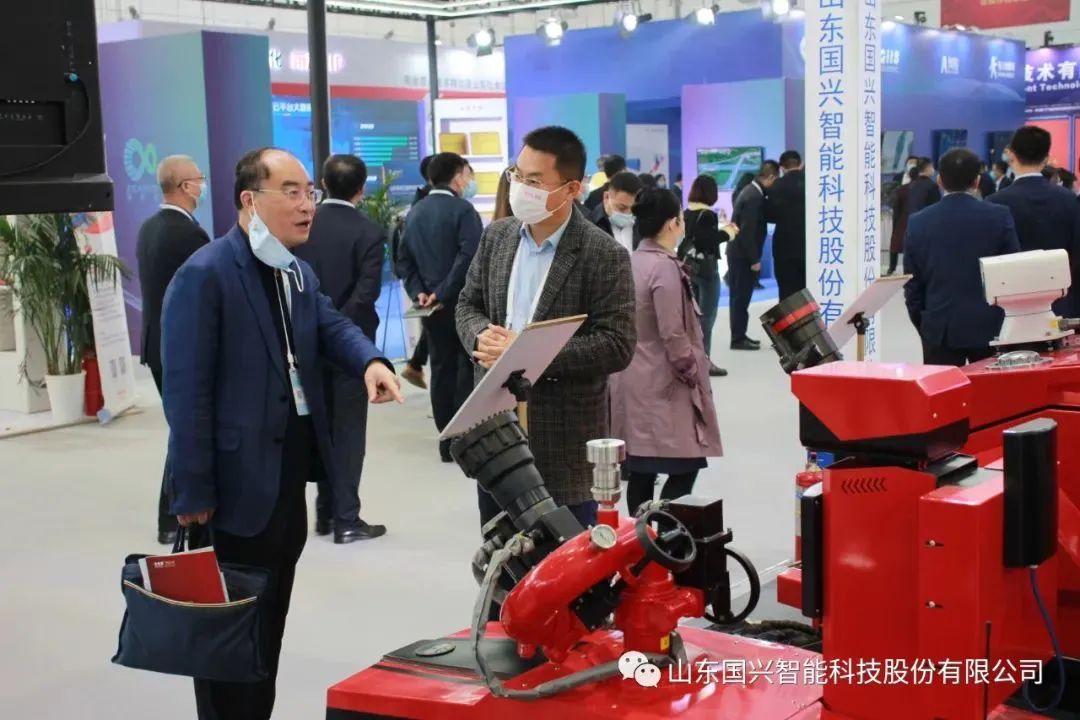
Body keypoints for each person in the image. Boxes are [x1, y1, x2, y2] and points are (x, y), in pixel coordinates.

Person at [161, 147, 402, 720]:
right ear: (250, 200)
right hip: (230, 493)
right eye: (290, 192)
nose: (306, 205)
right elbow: (186, 397)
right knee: (226, 640)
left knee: (266, 630)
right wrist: (191, 494)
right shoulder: (206, 275)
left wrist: (370, 361)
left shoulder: (294, 270)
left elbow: (331, 324)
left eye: (308, 192)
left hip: (285, 485)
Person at [456, 126, 635, 528]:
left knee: (567, 557)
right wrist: (480, 335)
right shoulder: (497, 237)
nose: (520, 188)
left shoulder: (602, 254)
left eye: (534, 181)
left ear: (571, 189)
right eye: (517, 175)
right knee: (499, 553)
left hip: (564, 441)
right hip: (496, 436)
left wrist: (527, 353)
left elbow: (617, 344)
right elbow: (468, 304)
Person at [293, 154, 387, 544]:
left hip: (305, 343)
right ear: (362, 189)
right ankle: (346, 519)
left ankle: (324, 513)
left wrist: (318, 328)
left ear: (322, 184)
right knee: (348, 435)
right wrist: (340, 332)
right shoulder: (369, 231)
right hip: (352, 351)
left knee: (319, 427)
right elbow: (366, 294)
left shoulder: (304, 224)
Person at [611, 188, 723, 515]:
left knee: (642, 469)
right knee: (685, 464)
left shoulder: (630, 261)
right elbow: (673, 332)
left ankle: (639, 537)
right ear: (673, 222)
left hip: (630, 377)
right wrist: (693, 371)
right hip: (665, 383)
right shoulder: (665, 268)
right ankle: (664, 534)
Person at [135, 154, 211, 545]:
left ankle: (173, 514)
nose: (203, 184)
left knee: (181, 428)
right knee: (186, 430)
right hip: (182, 349)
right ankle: (172, 515)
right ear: (185, 186)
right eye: (199, 178)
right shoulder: (188, 235)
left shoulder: (149, 228)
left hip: (156, 346)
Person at [396, 152, 482, 461]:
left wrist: (421, 293)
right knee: (465, 369)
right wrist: (444, 292)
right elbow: (470, 257)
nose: (468, 181)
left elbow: (404, 261)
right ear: (458, 177)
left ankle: (446, 441)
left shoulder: (415, 212)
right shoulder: (464, 211)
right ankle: (464, 440)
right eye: (467, 175)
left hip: (430, 309)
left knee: (441, 371)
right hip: (463, 304)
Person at [903, 148, 1020, 367]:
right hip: (991, 326)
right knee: (991, 387)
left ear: (940, 180)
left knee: (943, 388)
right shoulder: (999, 216)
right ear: (977, 181)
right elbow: (1012, 273)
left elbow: (912, 283)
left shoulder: (919, 222)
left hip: (939, 327)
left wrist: (924, 323)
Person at [988, 126, 1080, 316]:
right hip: (1061, 303)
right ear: (1046, 158)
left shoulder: (995, 202)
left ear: (1011, 155)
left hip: (1010, 306)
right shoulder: (1070, 200)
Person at [681, 174, 737, 377]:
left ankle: (691, 360)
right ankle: (703, 361)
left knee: (692, 318)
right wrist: (728, 233)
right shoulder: (707, 215)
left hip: (689, 268)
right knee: (707, 318)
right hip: (706, 270)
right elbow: (707, 241)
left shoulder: (687, 213)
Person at [728, 164, 778, 350]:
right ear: (771, 177)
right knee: (741, 298)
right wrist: (754, 259)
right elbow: (748, 232)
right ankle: (738, 338)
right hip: (742, 255)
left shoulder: (749, 191)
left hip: (738, 253)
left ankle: (739, 335)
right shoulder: (754, 197)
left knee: (738, 298)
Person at [766, 150, 806, 301]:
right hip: (808, 246)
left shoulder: (776, 185)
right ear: (801, 164)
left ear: (782, 167)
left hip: (784, 248)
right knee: (808, 292)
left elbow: (770, 215)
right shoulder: (813, 182)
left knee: (787, 292)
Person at [591, 170, 643, 252]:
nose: (628, 214)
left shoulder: (643, 226)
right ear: (606, 197)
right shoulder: (590, 226)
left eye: (633, 209)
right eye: (622, 208)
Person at [887, 166, 918, 275]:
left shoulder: (902, 189)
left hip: (902, 220)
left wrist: (895, 221)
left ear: (909, 175)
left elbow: (896, 207)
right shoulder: (921, 189)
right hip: (916, 220)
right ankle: (910, 269)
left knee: (895, 245)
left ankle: (891, 268)